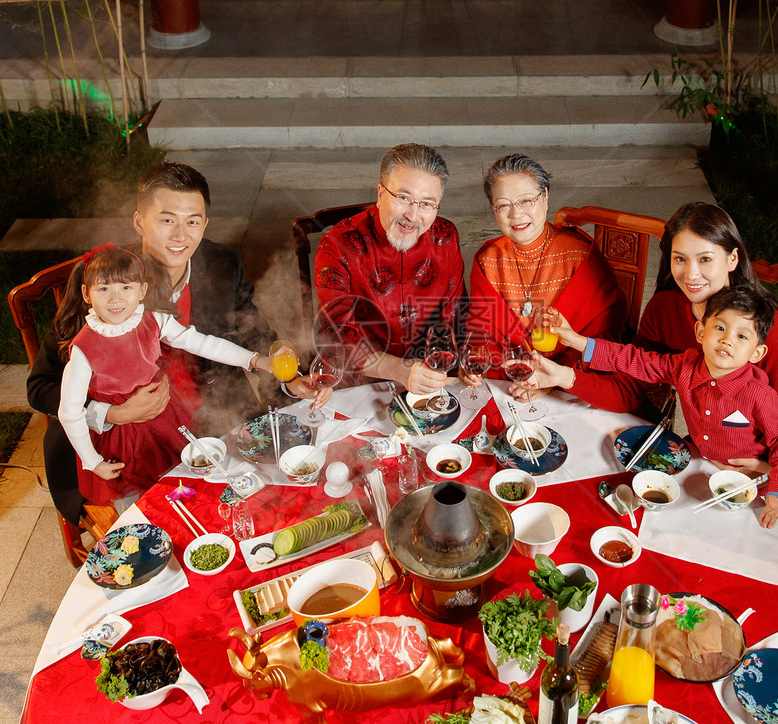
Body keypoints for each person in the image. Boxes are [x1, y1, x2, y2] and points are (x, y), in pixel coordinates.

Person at [27, 162, 316, 525]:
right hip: (123, 441)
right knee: (163, 526)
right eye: (166, 220)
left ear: (205, 223)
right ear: (139, 222)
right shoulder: (114, 282)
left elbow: (254, 333)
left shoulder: (222, 263)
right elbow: (40, 387)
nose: (181, 236)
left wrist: (288, 377)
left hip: (210, 412)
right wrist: (110, 414)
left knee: (272, 503)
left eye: (192, 221)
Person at [636, 201, 778, 545]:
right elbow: (639, 374)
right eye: (680, 258)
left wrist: (772, 469)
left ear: (732, 259)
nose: (691, 274)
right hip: (715, 446)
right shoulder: (664, 307)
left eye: (705, 259)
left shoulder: (763, 326)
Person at [548, 284, 778, 529]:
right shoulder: (686, 365)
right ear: (701, 332)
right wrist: (578, 342)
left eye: (742, 336)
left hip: (746, 480)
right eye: (720, 328)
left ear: (757, 353)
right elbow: (635, 359)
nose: (727, 340)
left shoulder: (759, 394)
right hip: (698, 463)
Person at [55, 245, 276, 505]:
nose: (115, 299)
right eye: (104, 289)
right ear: (86, 294)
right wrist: (93, 462)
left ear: (142, 290)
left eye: (126, 287)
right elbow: (69, 412)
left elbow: (202, 343)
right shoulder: (84, 349)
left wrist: (253, 359)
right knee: (138, 497)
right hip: (124, 440)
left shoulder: (153, 321)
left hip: (166, 420)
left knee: (182, 482)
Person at [464, 153, 644, 412]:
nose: (516, 214)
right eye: (503, 205)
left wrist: (553, 378)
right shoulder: (487, 260)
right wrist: (501, 369)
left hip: (572, 385)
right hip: (509, 383)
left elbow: (605, 333)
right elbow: (480, 332)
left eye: (527, 200)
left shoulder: (580, 255)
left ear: (546, 198)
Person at [314, 144, 465, 395]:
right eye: (403, 198)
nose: (413, 216)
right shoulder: (337, 245)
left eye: (427, 204)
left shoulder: (445, 236)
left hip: (431, 380)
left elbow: (455, 317)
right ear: (381, 193)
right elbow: (338, 337)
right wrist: (399, 371)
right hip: (361, 383)